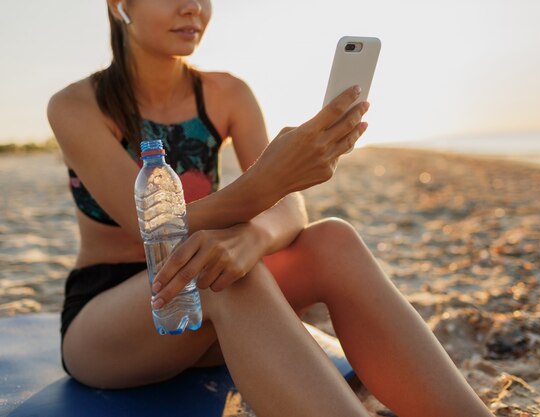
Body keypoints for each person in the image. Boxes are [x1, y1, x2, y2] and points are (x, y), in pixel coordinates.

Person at [46, 1, 495, 416]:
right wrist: (269, 181)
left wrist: (253, 236)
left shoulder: (226, 93)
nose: (194, 8)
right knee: (216, 271)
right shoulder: (76, 106)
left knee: (330, 239)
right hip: (111, 323)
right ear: (119, 3)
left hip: (210, 320)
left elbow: (288, 208)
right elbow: (151, 226)